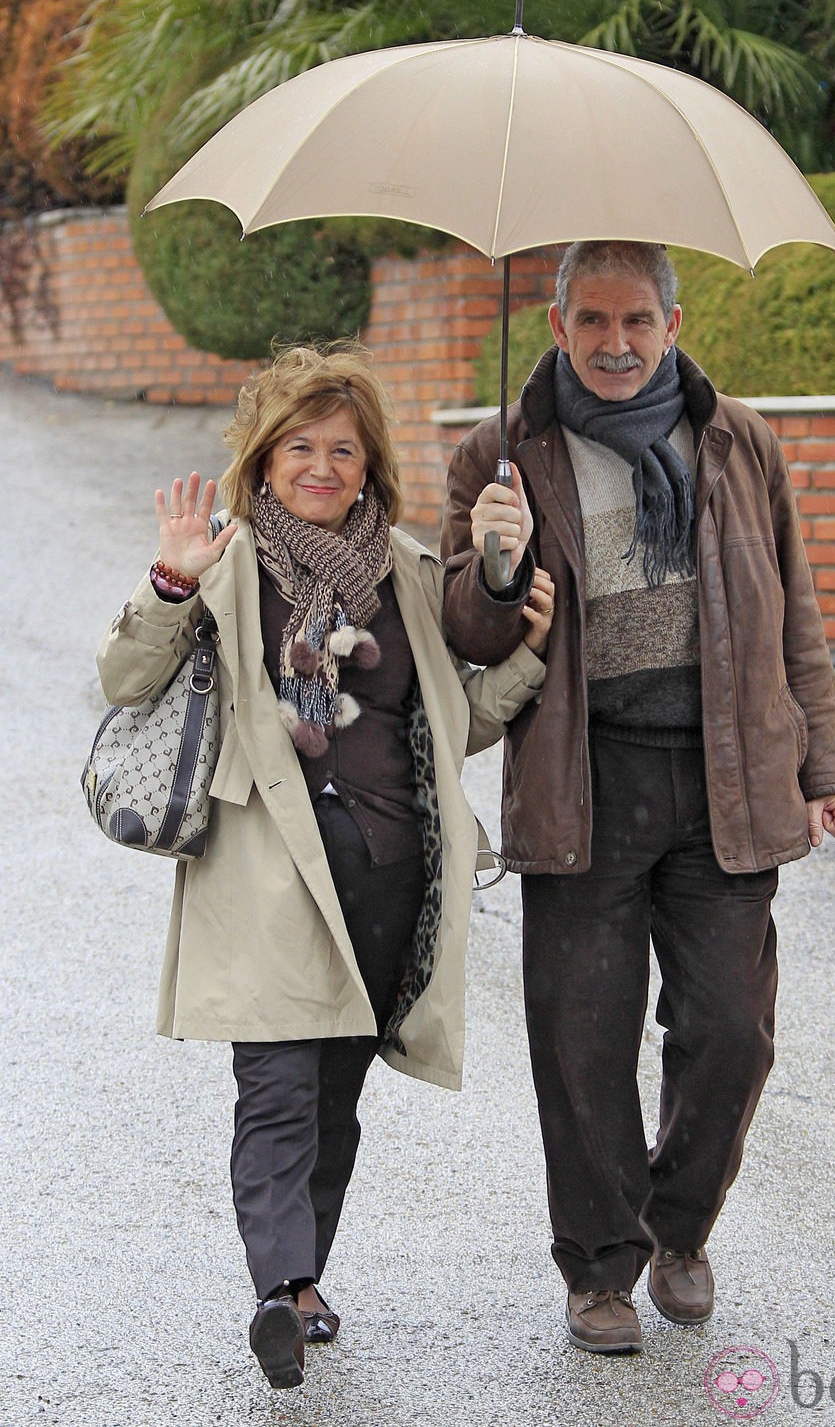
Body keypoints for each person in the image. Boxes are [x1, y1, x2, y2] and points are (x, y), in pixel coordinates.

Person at [97, 341, 554, 1389]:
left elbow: (454, 722)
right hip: (267, 877)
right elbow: (124, 676)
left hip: (386, 875)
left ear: (368, 466)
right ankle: (276, 1290)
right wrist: (170, 578)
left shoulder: (404, 574)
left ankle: (304, 1285)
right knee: (273, 1090)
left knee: (335, 1097)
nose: (319, 466)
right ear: (261, 462)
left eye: (341, 450)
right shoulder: (223, 562)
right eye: (297, 446)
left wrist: (526, 652)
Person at [440, 241, 835, 1354]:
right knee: (580, 1038)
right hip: (582, 775)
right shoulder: (503, 450)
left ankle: (676, 1229)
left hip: (725, 773)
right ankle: (597, 1269)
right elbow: (467, 640)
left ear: (672, 324)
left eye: (636, 321)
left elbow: (793, 615)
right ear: (555, 323)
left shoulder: (736, 440)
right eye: (592, 321)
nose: (614, 344)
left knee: (731, 1028)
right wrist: (490, 566)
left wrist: (826, 766)